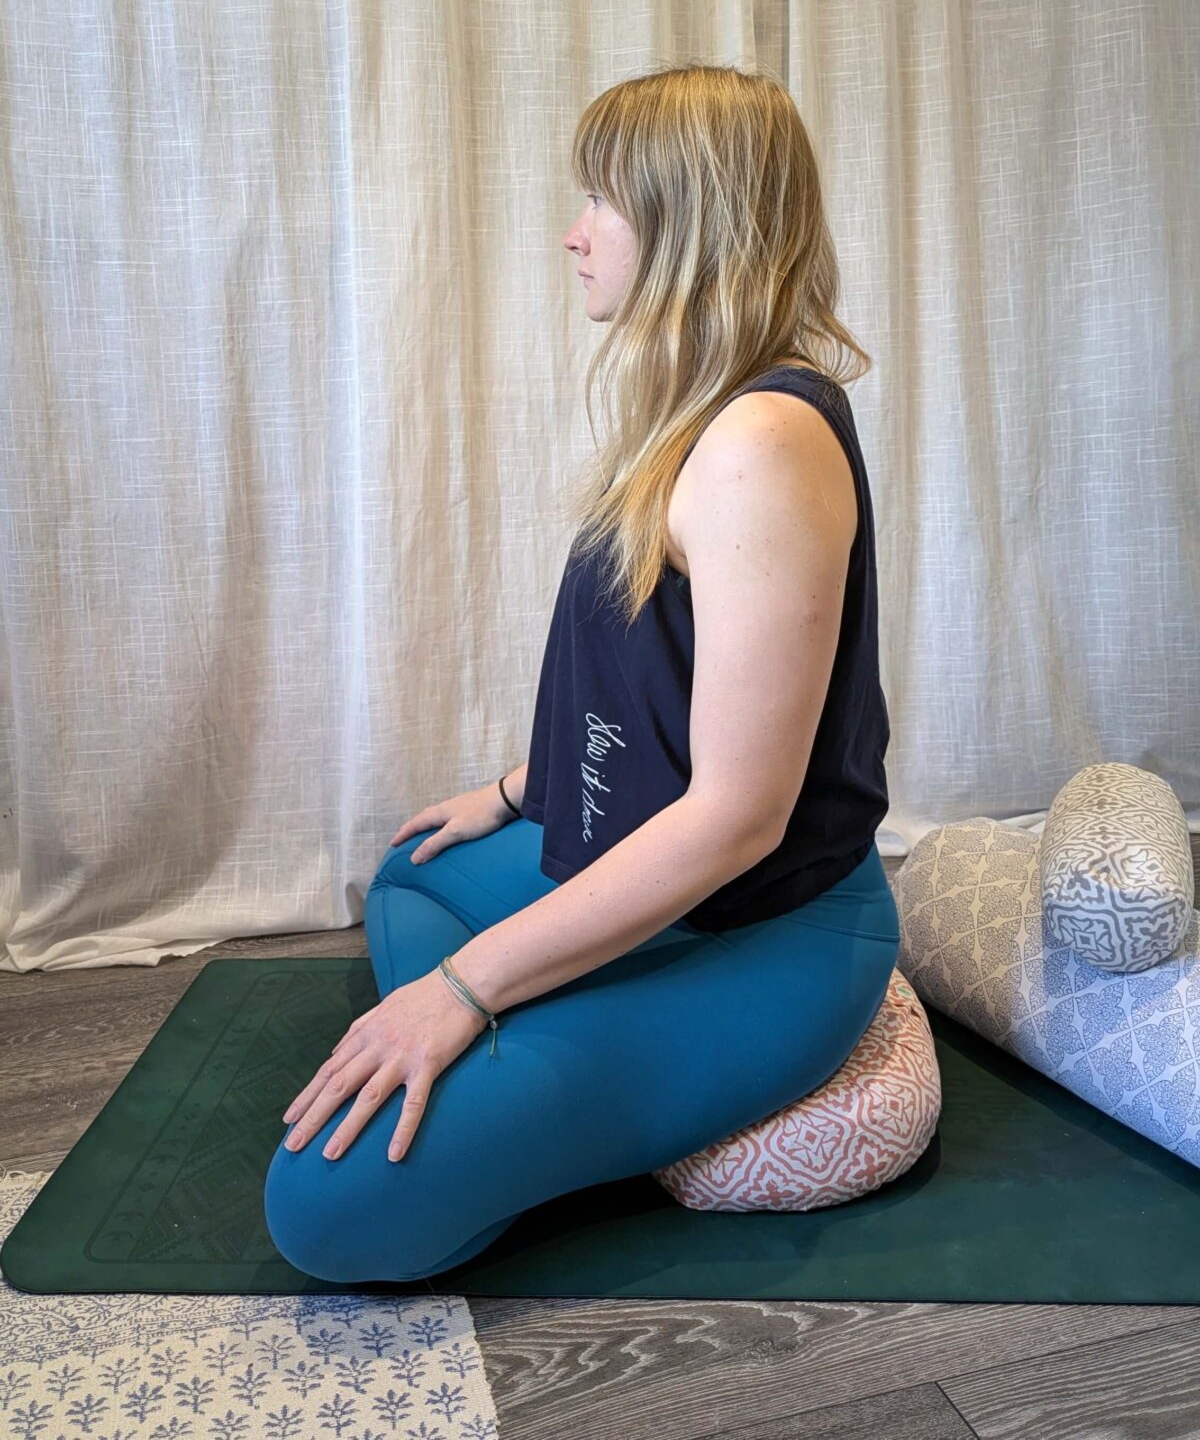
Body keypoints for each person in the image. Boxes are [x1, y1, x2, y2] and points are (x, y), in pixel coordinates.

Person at [263, 63, 900, 1285]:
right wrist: (513, 791)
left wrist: (463, 992)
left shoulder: (763, 441)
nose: (572, 231)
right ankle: (561, 1060)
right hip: (671, 881)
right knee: (414, 868)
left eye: (601, 199)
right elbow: (651, 688)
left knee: (325, 1210)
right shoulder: (702, 417)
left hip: (766, 931)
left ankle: (571, 1072)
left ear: (689, 223)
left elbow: (738, 813)